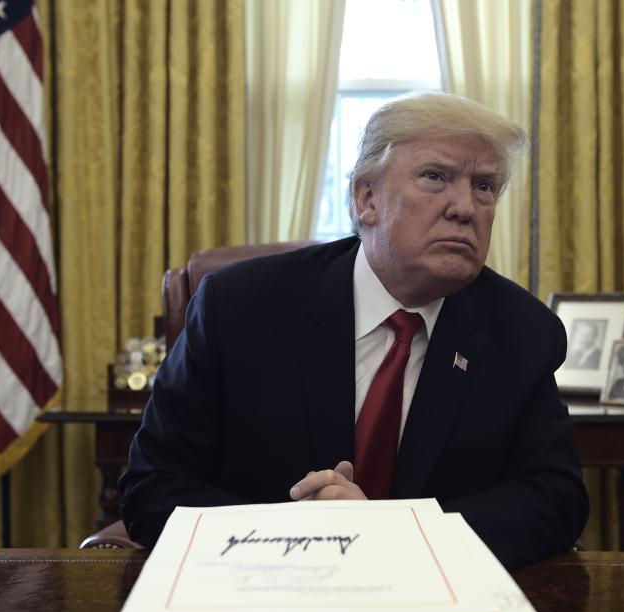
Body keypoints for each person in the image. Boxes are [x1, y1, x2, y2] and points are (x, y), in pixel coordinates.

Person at [119, 92, 589, 569]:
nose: (465, 207)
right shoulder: (239, 308)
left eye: (484, 186)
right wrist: (300, 535)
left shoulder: (522, 332)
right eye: (435, 177)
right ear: (366, 199)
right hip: (264, 593)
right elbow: (152, 487)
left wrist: (393, 532)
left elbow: (556, 499)